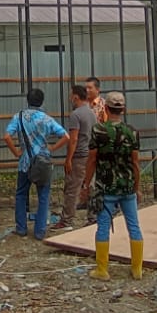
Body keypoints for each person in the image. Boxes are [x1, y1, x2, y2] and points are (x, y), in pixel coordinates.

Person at [82, 91, 143, 281]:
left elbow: (92, 160)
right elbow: (135, 163)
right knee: (134, 226)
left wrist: (86, 184)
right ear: (123, 109)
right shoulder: (132, 132)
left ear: (106, 108)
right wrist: (137, 186)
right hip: (127, 187)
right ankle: (137, 269)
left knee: (103, 227)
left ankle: (102, 270)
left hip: (106, 188)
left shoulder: (98, 130)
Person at [5, 88, 68, 239]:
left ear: (27, 100)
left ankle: (21, 228)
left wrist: (16, 152)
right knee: (43, 196)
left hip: (25, 162)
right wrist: (52, 148)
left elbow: (7, 136)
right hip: (43, 162)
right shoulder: (46, 119)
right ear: (42, 101)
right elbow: (66, 136)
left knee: (21, 194)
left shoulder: (18, 117)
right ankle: (40, 231)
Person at [61, 83, 99, 228]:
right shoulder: (91, 113)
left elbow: (73, 139)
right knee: (90, 186)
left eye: (71, 96)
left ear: (75, 97)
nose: (70, 98)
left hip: (79, 156)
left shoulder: (75, 115)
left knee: (72, 189)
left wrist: (68, 159)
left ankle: (67, 220)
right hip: (90, 154)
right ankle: (92, 217)